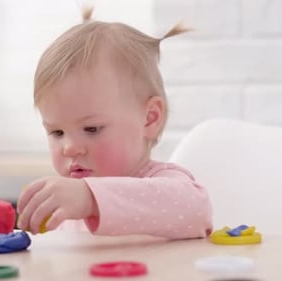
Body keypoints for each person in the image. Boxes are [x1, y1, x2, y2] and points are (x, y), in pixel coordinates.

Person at [17, 7, 212, 239]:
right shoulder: (66, 203)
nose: (69, 147)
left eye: (92, 129)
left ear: (149, 118)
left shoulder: (163, 184)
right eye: (57, 132)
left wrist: (89, 198)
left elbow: (196, 211)